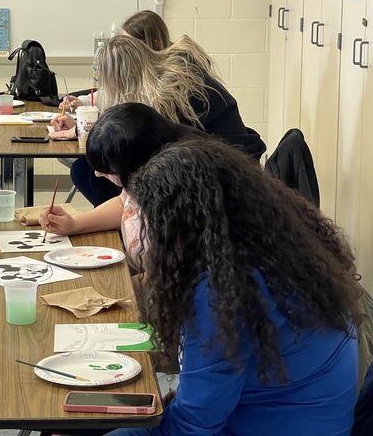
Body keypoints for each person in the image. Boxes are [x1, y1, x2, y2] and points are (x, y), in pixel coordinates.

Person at [107, 138, 361, 435]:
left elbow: (190, 429)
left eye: (151, 221)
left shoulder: (220, 292)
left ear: (180, 226)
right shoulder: (280, 248)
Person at [51, 34, 264, 205]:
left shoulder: (174, 91)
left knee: (111, 170)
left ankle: (120, 231)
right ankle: (118, 227)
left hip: (230, 170)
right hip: (217, 155)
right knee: (86, 170)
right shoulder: (165, 79)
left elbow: (144, 143)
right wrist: (81, 128)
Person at [42, 103, 202, 273]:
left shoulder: (186, 193)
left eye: (108, 170)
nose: (97, 174)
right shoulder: (149, 170)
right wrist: (74, 224)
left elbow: (172, 279)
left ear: (136, 163)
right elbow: (124, 202)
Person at [59, 10, 171, 113]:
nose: (122, 48)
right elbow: (113, 92)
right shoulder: (138, 67)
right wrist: (84, 102)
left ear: (154, 44)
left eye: (128, 43)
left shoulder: (167, 81)